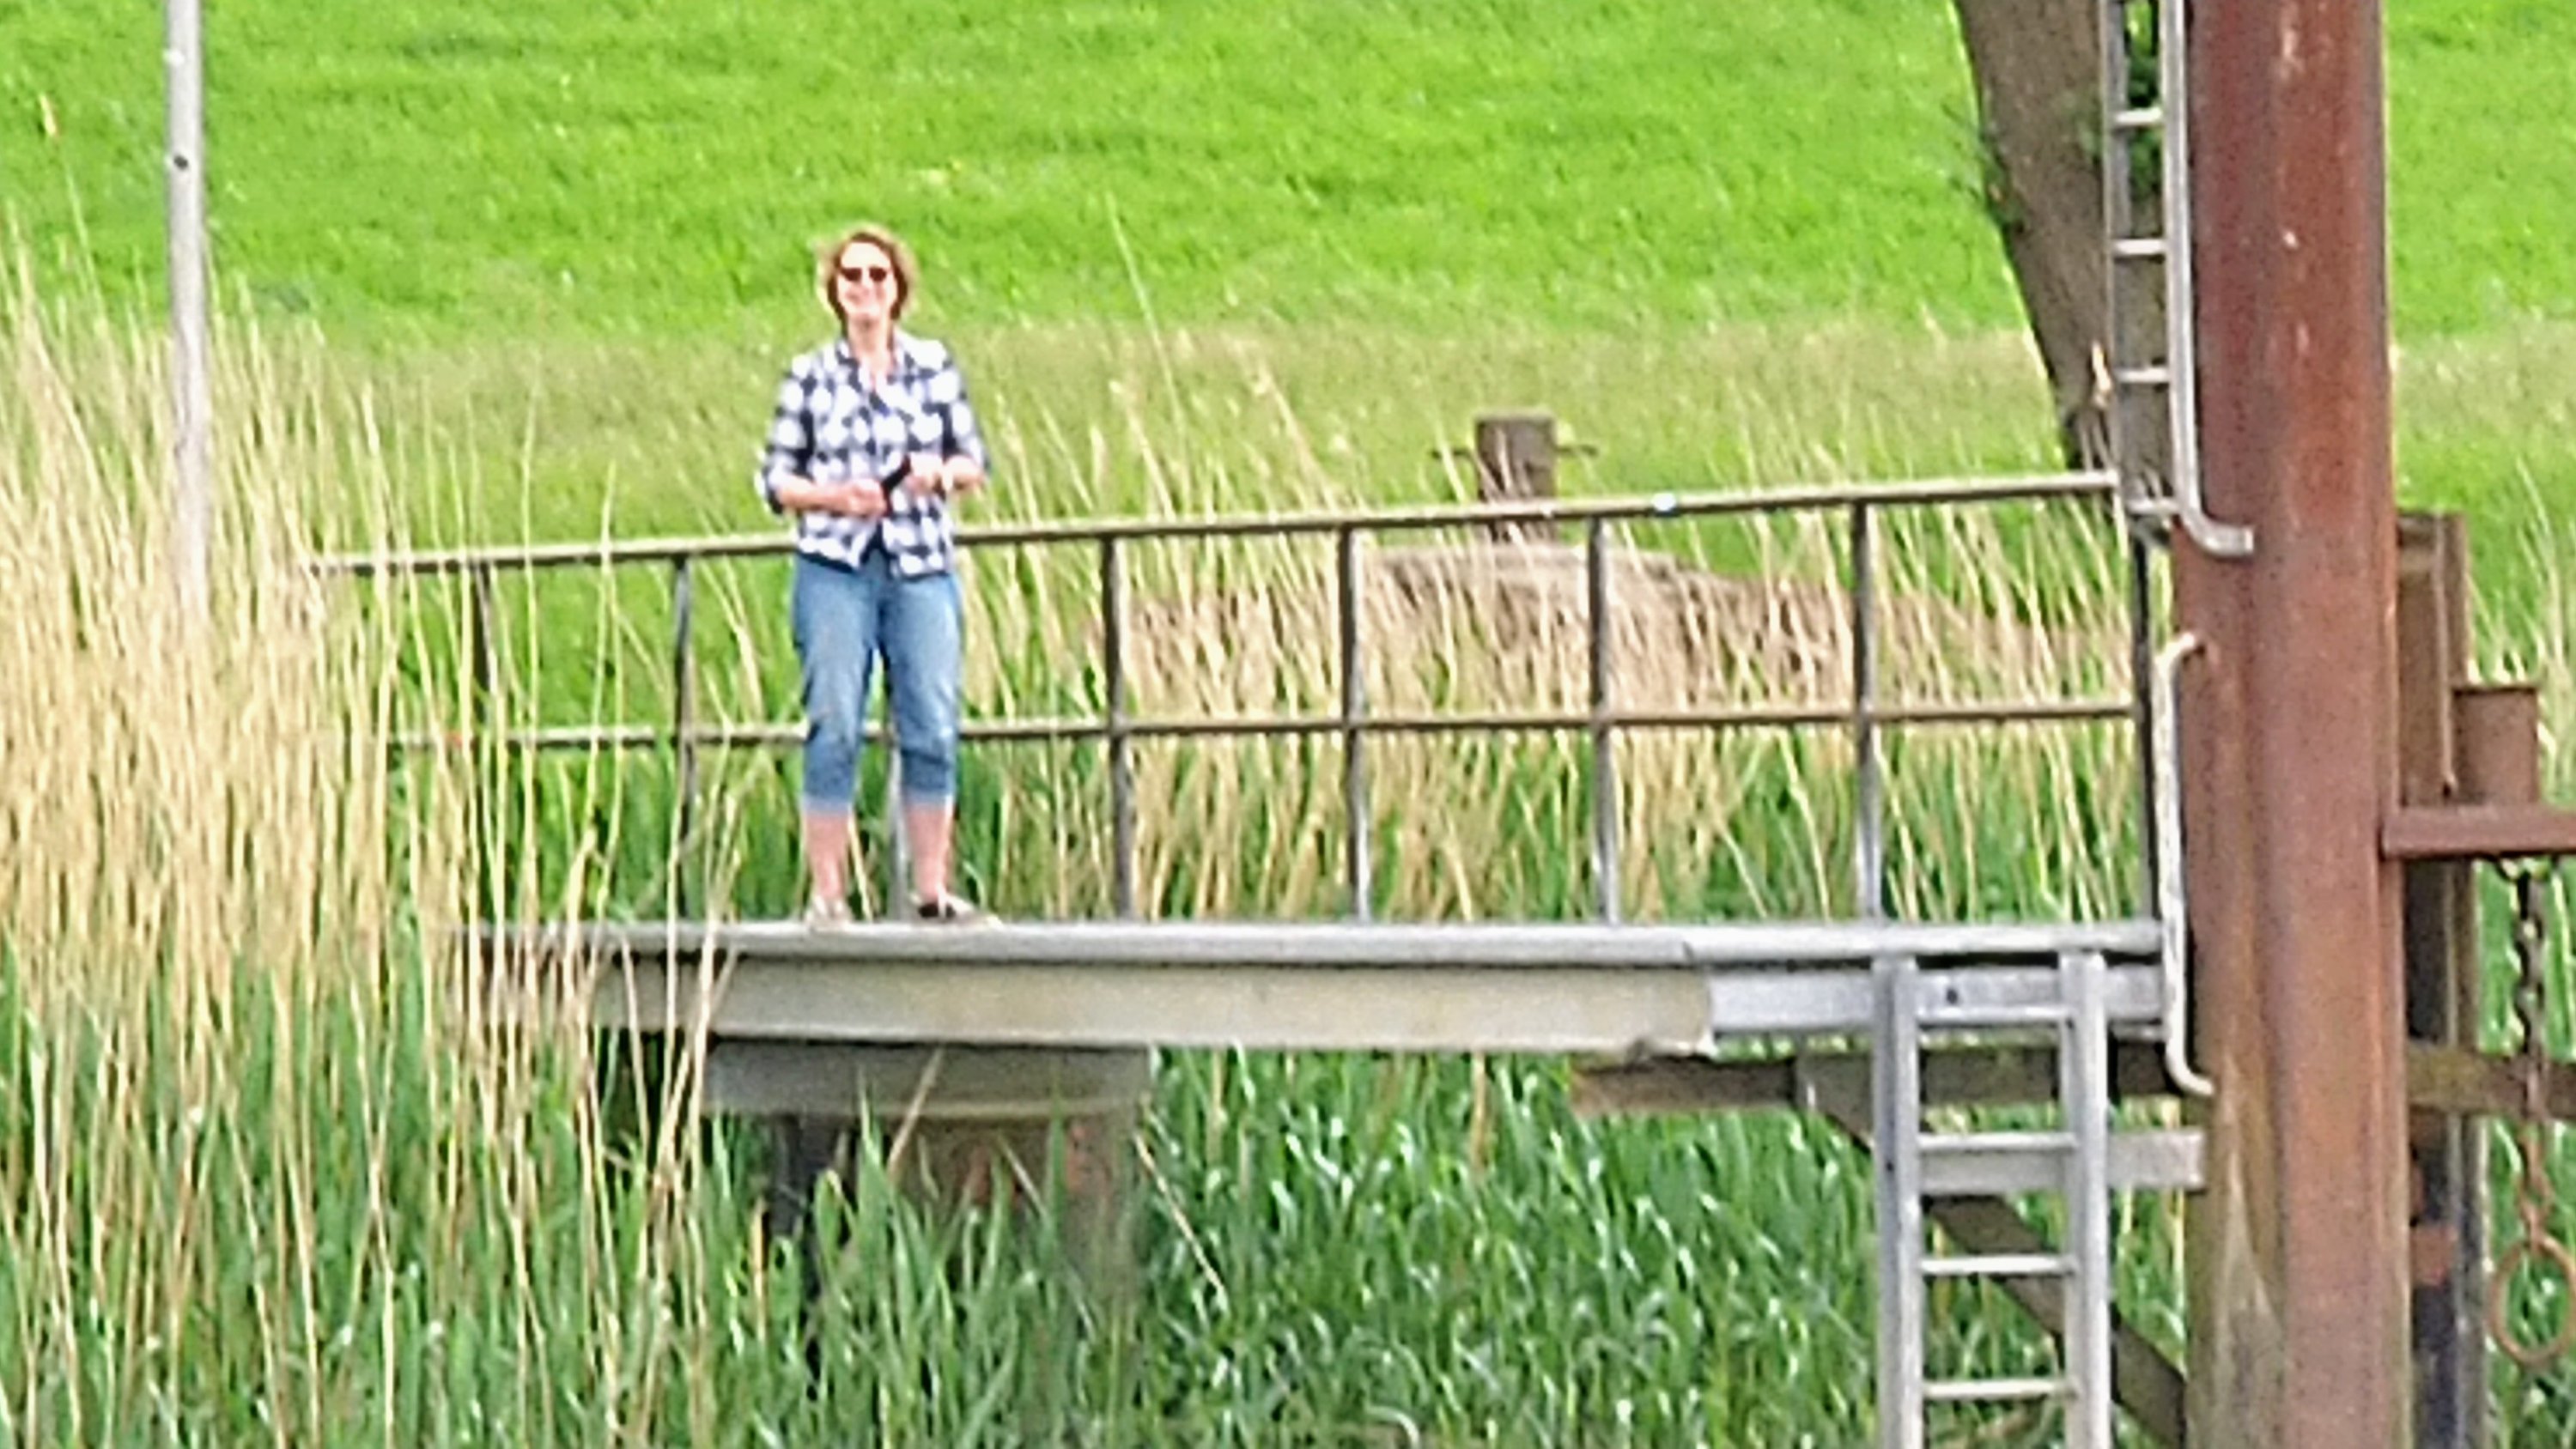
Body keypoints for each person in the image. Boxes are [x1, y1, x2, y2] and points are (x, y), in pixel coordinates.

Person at [755, 222, 989, 925]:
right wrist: (837, 497)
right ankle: (828, 895)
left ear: (898, 290)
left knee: (932, 723)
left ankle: (932, 889)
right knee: (834, 722)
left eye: (877, 276)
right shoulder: (810, 376)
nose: (864, 288)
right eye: (851, 276)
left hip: (920, 561)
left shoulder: (933, 367)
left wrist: (935, 474)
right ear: (834, 292)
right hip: (837, 563)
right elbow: (775, 480)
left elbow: (974, 462)